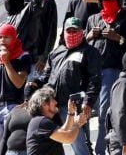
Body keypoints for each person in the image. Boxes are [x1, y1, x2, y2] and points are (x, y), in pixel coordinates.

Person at [85, 0, 126, 155]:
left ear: (118, 1)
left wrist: (119, 39)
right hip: (91, 71)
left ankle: (101, 150)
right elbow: (82, 44)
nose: (107, 4)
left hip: (112, 71)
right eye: (104, 1)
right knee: (84, 111)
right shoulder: (93, 19)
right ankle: (86, 146)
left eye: (111, 0)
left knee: (104, 112)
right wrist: (88, 36)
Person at [35, 17, 102, 155]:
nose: (71, 34)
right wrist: (34, 86)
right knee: (50, 145)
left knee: (80, 145)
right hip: (51, 106)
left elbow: (94, 80)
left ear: (82, 32)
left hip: (73, 107)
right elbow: (45, 77)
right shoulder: (55, 53)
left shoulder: (90, 52)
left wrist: (88, 102)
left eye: (75, 31)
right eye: (68, 31)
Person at [0, 24, 32, 155]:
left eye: (7, 37)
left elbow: (19, 83)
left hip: (12, 107)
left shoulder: (23, 56)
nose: (2, 40)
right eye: (0, 37)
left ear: (14, 38)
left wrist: (7, 62)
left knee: (7, 149)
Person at [26, 87, 88, 155]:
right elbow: (68, 138)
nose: (56, 102)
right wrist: (77, 124)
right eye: (52, 100)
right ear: (44, 104)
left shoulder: (40, 121)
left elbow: (64, 130)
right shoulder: (41, 122)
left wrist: (71, 113)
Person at [20, 0, 58, 75]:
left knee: (34, 88)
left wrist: (44, 57)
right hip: (20, 57)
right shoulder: (20, 1)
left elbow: (51, 30)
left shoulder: (48, 2)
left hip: (37, 58)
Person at [0, 84, 35, 155]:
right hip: (10, 152)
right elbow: (4, 138)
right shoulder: (15, 110)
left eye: (32, 86)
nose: (29, 88)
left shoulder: (40, 112)